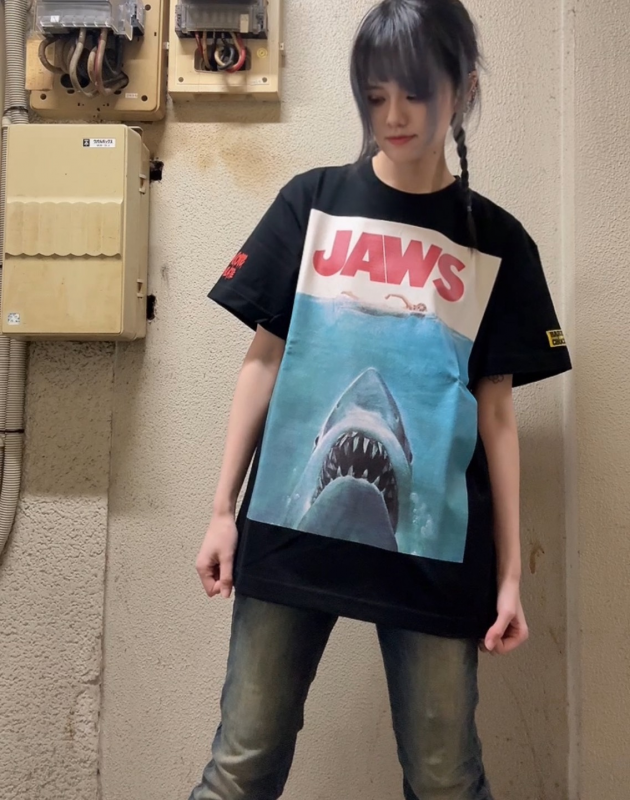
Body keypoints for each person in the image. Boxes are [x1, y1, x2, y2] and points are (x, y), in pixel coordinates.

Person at [190, 0, 572, 798]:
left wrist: (510, 575)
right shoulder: (311, 202)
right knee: (240, 770)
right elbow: (262, 363)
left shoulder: (498, 243)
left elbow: (498, 417)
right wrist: (222, 510)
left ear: (464, 90)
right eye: (375, 95)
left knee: (446, 782)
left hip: (436, 564)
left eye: (416, 93)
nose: (393, 115)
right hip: (286, 545)